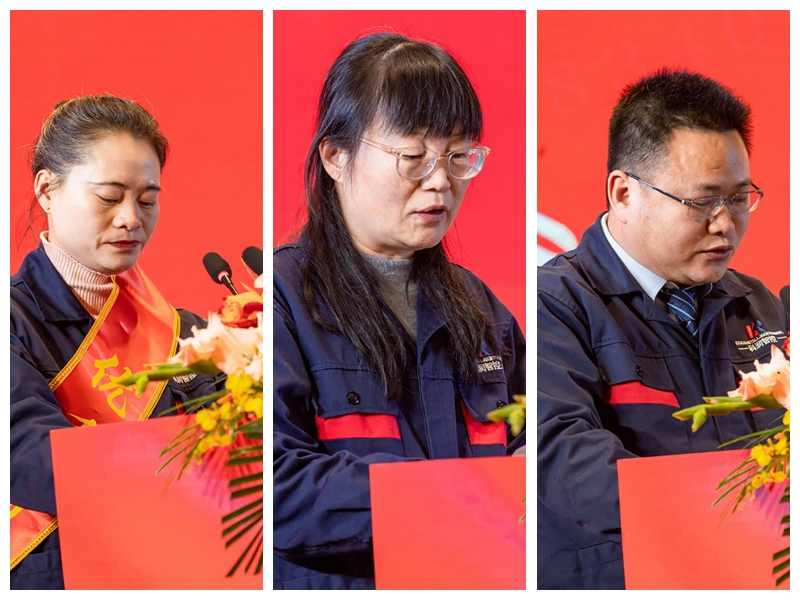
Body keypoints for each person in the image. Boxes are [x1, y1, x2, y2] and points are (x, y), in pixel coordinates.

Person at [273, 32, 526, 590]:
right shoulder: (278, 303)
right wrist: (450, 500)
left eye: (458, 157)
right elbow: (273, 487)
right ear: (335, 157)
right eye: (413, 157)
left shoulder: (482, 309)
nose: (440, 181)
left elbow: (534, 444)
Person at [537, 68, 789, 589]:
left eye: (738, 198)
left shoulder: (758, 304)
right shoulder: (555, 305)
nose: (725, 223)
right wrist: (729, 519)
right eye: (702, 201)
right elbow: (561, 454)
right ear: (623, 193)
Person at [10, 95, 221, 589]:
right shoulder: (14, 322)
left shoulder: (185, 332)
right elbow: (31, 457)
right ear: (46, 189)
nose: (131, 218)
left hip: (185, 570)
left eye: (147, 200)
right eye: (109, 197)